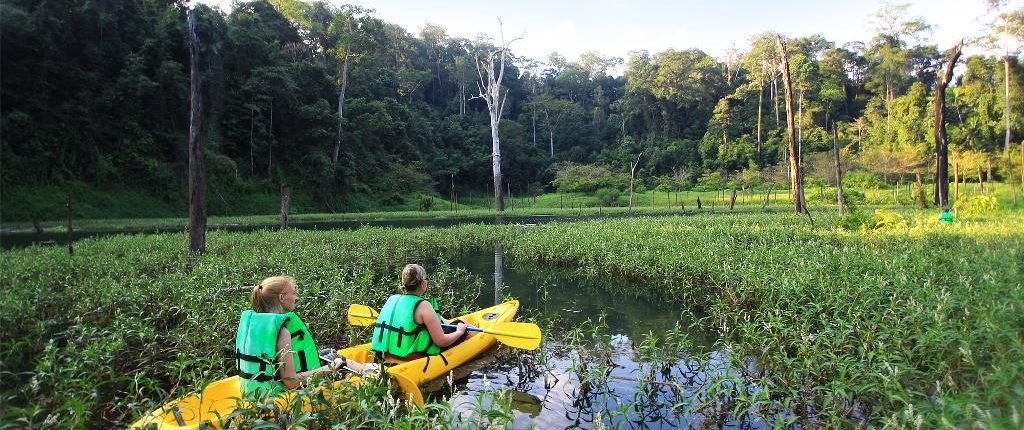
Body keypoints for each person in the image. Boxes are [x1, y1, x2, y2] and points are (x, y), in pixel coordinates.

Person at [235, 276, 374, 397]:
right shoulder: (282, 333)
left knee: (327, 353)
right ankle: (370, 372)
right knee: (336, 360)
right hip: (279, 394)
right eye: (293, 293)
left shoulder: (258, 325)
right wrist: (329, 369)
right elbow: (290, 381)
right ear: (282, 297)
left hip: (256, 389)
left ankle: (364, 368)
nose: (296, 297)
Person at [371, 264, 472, 360]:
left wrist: (446, 321)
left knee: (452, 323)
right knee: (461, 326)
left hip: (386, 353)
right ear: (423, 283)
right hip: (410, 357)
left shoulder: (393, 299)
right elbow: (441, 341)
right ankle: (468, 332)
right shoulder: (424, 305)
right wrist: (460, 331)